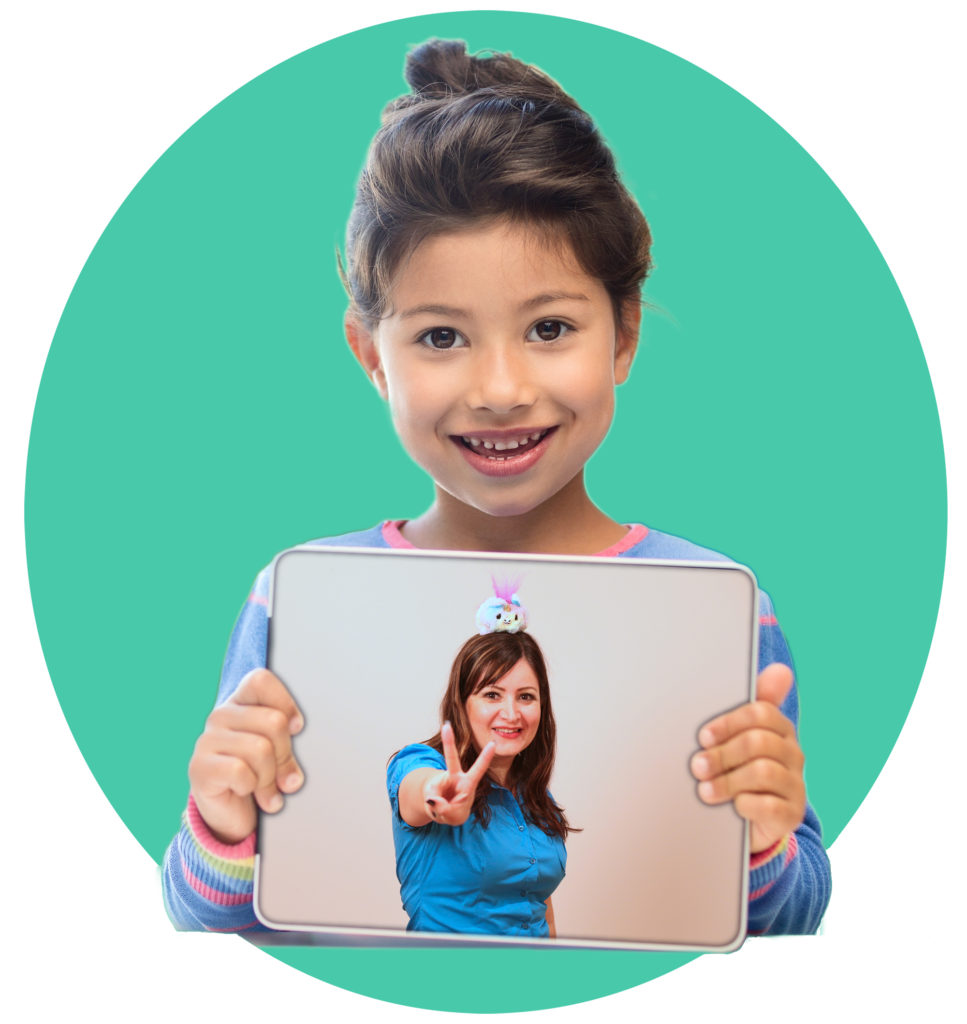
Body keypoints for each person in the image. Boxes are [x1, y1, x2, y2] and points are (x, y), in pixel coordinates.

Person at [162, 38, 831, 936]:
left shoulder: (722, 611)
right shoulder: (297, 604)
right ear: (371, 357)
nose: (501, 388)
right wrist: (222, 826)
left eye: (550, 326)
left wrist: (760, 842)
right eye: (441, 337)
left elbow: (794, 919)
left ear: (624, 334)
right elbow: (204, 918)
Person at [388, 619, 573, 937]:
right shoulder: (421, 762)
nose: (512, 713)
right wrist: (439, 795)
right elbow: (419, 789)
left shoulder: (534, 796)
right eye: (492, 694)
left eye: (526, 697)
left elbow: (538, 901)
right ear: (462, 703)